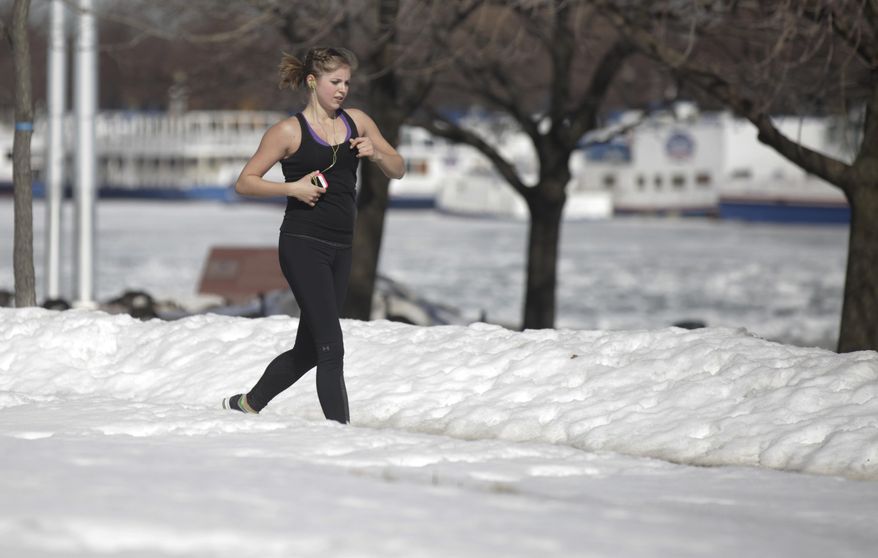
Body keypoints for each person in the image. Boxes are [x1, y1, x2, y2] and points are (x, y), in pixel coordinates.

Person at [223, 47, 405, 423]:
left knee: (309, 350)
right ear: (312, 81)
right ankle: (341, 434)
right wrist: (293, 189)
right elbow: (245, 182)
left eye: (347, 83)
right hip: (302, 245)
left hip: (342, 246)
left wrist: (377, 154)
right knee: (331, 347)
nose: (342, 90)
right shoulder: (288, 131)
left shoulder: (358, 122)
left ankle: (249, 403)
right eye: (334, 82)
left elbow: (398, 168)